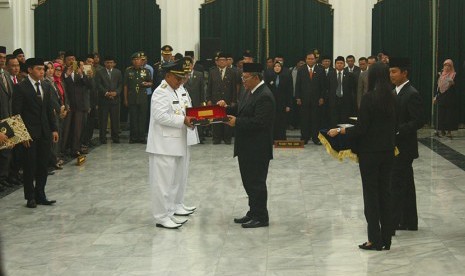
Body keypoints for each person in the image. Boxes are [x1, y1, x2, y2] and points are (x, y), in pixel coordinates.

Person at [328, 62, 397, 251]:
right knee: (385, 193)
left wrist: (340, 131)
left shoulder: (369, 98)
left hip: (370, 154)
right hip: (388, 152)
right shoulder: (392, 97)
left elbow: (361, 129)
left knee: (371, 196)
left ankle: (374, 239)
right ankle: (387, 239)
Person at [218, 62, 276, 228]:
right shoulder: (249, 91)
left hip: (257, 148)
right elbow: (241, 109)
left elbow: (260, 123)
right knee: (248, 182)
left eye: (245, 78)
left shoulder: (265, 95)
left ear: (256, 77)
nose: (242, 81)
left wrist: (237, 122)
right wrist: (227, 108)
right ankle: (253, 212)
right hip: (246, 147)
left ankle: (261, 217)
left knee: (256, 182)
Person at [146, 57, 195, 229]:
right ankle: (161, 216)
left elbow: (185, 109)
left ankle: (170, 211)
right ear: (168, 75)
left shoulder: (176, 89)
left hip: (175, 143)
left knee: (173, 181)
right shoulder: (161, 91)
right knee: (162, 184)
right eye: (177, 78)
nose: (180, 81)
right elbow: (161, 116)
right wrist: (183, 120)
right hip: (163, 145)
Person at [12, 58, 59, 208]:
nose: (42, 72)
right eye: (38, 69)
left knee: (43, 165)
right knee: (30, 166)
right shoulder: (21, 87)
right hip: (29, 134)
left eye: (43, 69)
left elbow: (49, 110)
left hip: (44, 131)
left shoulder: (45, 85)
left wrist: (54, 129)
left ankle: (41, 194)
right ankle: (30, 196)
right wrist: (21, 135)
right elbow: (16, 113)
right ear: (30, 70)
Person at [389, 57, 423, 233]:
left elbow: (418, 121)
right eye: (390, 72)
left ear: (404, 73)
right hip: (396, 146)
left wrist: (397, 130)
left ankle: (392, 224)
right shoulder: (394, 91)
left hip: (405, 148)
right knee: (407, 185)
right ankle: (410, 221)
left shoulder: (412, 93)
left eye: (394, 72)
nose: (391, 75)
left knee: (396, 184)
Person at [206, 52, 237, 144]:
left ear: (227, 61)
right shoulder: (212, 72)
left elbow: (234, 88)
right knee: (216, 120)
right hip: (215, 99)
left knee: (227, 119)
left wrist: (233, 101)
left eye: (224, 60)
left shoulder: (232, 72)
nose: (222, 62)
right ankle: (216, 138)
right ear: (217, 62)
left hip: (227, 100)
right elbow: (209, 87)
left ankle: (227, 138)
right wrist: (208, 99)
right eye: (220, 60)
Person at [295, 52, 326, 145]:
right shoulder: (301, 70)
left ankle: (316, 138)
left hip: (316, 100)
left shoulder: (320, 70)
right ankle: (304, 137)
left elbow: (323, 86)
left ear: (315, 59)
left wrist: (322, 97)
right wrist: (298, 97)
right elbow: (298, 85)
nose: (310, 60)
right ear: (306, 60)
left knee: (316, 119)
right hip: (304, 99)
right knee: (304, 119)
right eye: (309, 59)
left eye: (312, 59)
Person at [124, 52, 152, 143]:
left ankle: (142, 137)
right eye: (135, 59)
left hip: (143, 98)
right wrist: (125, 99)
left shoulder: (146, 71)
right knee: (133, 118)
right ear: (132, 61)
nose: (137, 61)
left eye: (139, 59)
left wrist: (147, 84)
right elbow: (125, 86)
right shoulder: (128, 71)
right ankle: (133, 137)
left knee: (142, 118)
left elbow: (151, 82)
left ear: (142, 61)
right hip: (132, 97)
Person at [95, 56, 122, 144]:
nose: (109, 64)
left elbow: (120, 85)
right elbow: (98, 85)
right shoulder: (99, 72)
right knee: (103, 120)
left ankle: (115, 137)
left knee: (115, 119)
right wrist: (106, 93)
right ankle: (102, 138)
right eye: (107, 62)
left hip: (115, 99)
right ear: (104, 63)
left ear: (114, 63)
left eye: (111, 62)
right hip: (103, 100)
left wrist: (116, 93)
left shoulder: (118, 72)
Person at [0, 46, 15, 191]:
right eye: (0, 58)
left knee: (7, 151)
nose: (2, 60)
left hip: (8, 118)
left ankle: (3, 178)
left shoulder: (5, 74)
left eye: (4, 58)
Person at [265, 61, 292, 140]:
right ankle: (272, 138)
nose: (277, 68)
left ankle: (281, 138)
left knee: (281, 121)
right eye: (275, 66)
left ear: (281, 68)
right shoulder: (269, 77)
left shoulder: (286, 77)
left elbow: (289, 91)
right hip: (272, 103)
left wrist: (288, 105)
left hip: (282, 103)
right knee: (273, 120)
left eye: (279, 66)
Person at [327, 56, 356, 127]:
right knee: (333, 121)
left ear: (344, 64)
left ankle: (343, 137)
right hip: (333, 101)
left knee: (344, 121)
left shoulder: (350, 75)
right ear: (335, 64)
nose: (339, 64)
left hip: (345, 101)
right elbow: (327, 87)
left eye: (341, 63)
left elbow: (352, 89)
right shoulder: (330, 74)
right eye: (337, 63)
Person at [433, 59, 458, 138]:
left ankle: (449, 132)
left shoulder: (454, 75)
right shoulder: (440, 75)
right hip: (441, 97)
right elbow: (436, 87)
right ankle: (441, 130)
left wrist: (453, 84)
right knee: (441, 114)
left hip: (450, 98)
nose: (447, 67)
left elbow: (458, 88)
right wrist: (435, 97)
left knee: (449, 115)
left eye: (449, 66)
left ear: (451, 67)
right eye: (445, 65)